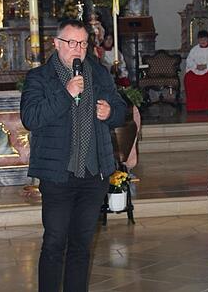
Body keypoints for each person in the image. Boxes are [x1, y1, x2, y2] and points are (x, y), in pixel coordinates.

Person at [20, 18, 128, 292]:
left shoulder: (100, 73)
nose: (77, 49)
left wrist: (110, 113)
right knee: (55, 243)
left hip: (94, 176)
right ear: (56, 44)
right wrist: (66, 93)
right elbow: (30, 118)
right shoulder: (39, 78)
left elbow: (120, 109)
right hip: (58, 176)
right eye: (70, 43)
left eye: (82, 43)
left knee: (81, 246)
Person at [183, 30, 208, 113]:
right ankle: (193, 107)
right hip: (196, 69)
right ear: (198, 40)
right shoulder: (195, 49)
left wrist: (206, 66)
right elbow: (189, 61)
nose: (203, 41)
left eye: (204, 39)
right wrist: (196, 66)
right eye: (201, 40)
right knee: (189, 78)